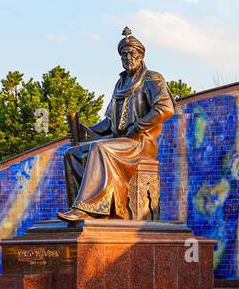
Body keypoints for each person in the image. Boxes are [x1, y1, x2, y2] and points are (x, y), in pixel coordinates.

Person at [57, 27, 175, 221]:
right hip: (119, 142)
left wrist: (137, 126)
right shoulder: (120, 84)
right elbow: (110, 121)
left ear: (140, 55)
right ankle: (84, 209)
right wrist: (83, 130)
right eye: (123, 54)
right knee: (72, 154)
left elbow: (165, 108)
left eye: (131, 53)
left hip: (140, 143)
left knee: (99, 149)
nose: (128, 57)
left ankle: (88, 208)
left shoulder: (152, 78)